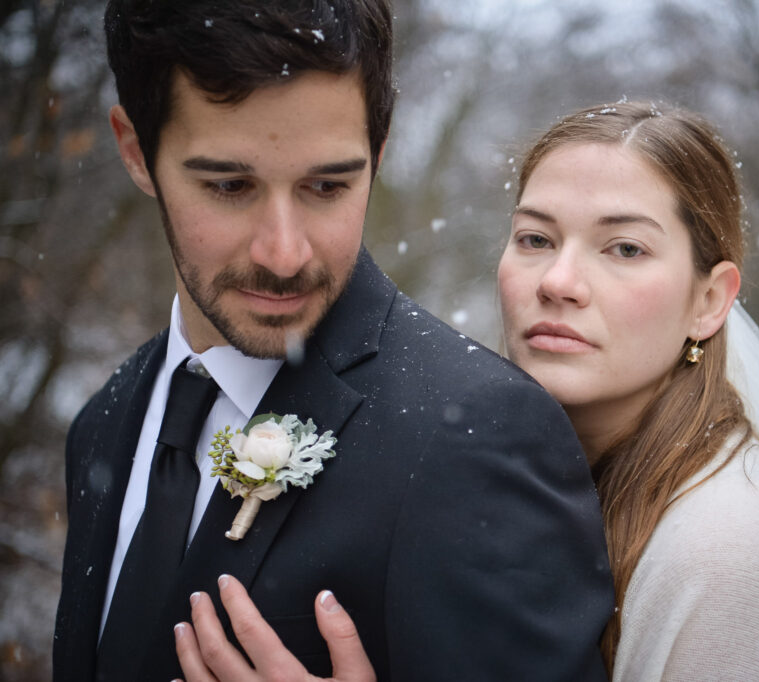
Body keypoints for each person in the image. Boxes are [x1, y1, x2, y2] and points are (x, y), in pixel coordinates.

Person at [52, 2, 613, 681]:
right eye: (229, 186)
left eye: (327, 186)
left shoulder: (479, 437)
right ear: (136, 150)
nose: (284, 254)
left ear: (378, 152)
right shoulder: (102, 424)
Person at [495, 101, 759, 680]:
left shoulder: (729, 552)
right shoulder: (524, 479)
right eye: (535, 239)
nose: (557, 282)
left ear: (709, 302)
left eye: (625, 248)